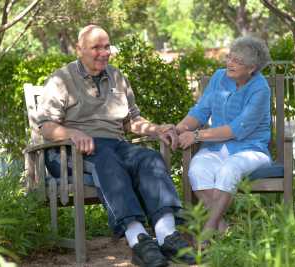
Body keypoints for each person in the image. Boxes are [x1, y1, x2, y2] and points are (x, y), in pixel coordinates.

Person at [36, 25, 194, 267]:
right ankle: (139, 240)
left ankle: (166, 235)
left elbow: (132, 120)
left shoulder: (117, 76)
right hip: (69, 151)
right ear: (79, 50)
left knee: (149, 158)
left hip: (115, 145)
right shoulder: (61, 79)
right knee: (108, 162)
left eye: (106, 46)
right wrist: (72, 133)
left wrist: (157, 129)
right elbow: (47, 127)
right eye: (96, 47)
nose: (103, 52)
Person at [176, 36, 272, 235]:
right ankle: (224, 228)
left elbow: (236, 129)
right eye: (229, 57)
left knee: (228, 170)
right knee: (197, 170)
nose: (229, 63)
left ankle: (209, 228)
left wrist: (196, 136)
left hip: (251, 149)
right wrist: (178, 129)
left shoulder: (260, 89)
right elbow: (200, 111)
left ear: (251, 68)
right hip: (216, 148)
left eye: (237, 61)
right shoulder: (219, 77)